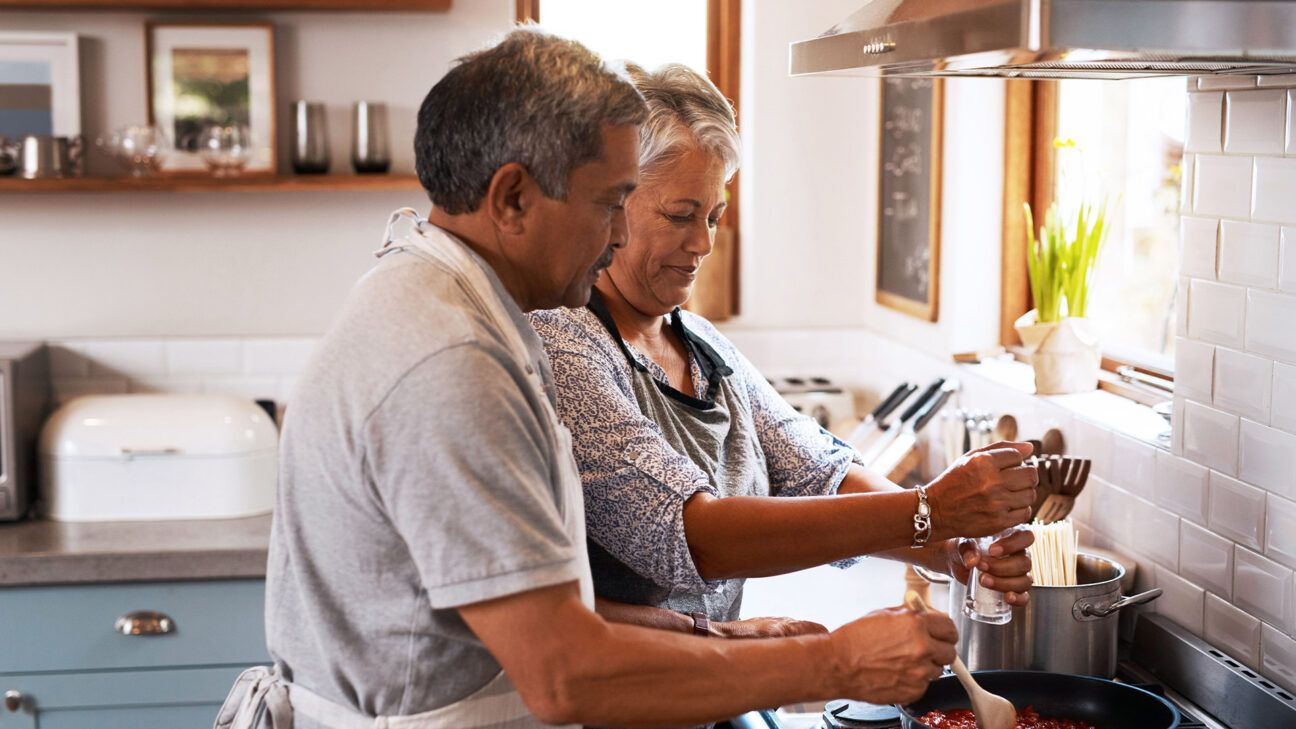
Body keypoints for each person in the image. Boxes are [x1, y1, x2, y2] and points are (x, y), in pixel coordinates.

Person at [216, 29, 962, 729]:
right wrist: (832, 661)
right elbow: (564, 670)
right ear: (513, 198)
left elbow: (513, 607)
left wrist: (712, 634)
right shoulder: (453, 365)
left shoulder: (451, 305)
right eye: (610, 204)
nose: (615, 237)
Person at [528, 63, 1037, 639]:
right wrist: (929, 511)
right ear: (611, 201)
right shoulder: (563, 341)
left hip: (703, 694)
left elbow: (819, 473)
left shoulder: (702, 346)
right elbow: (693, 536)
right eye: (680, 215)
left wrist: (949, 548)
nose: (703, 243)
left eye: (715, 216)